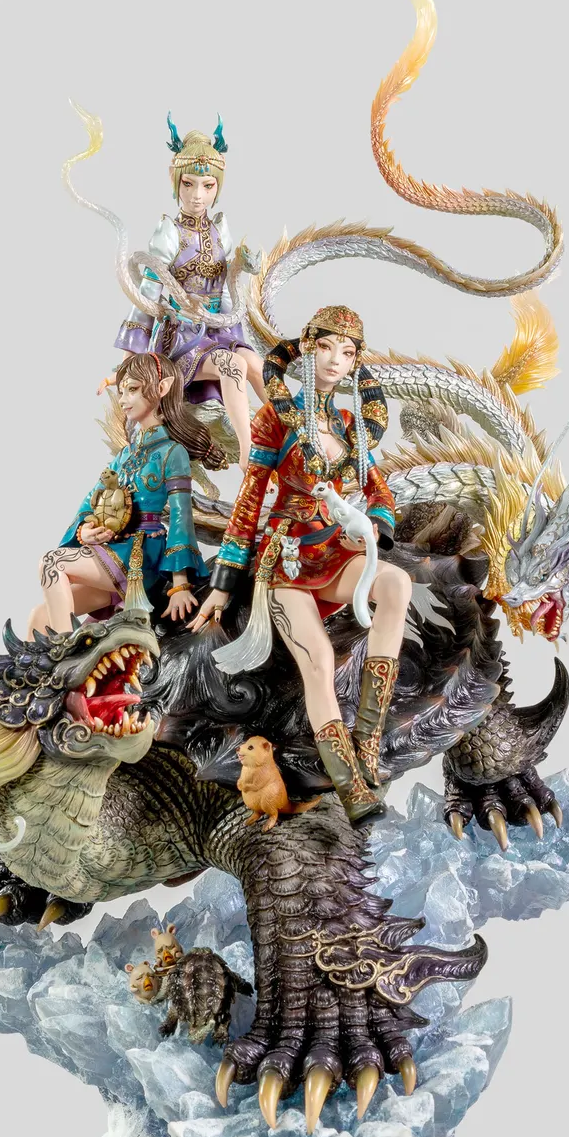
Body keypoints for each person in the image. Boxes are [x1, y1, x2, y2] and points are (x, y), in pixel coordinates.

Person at [190, 306, 411, 822]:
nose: (335, 360)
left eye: (347, 352)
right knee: (319, 661)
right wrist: (223, 581)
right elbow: (249, 499)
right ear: (307, 351)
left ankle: (368, 742)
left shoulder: (352, 425)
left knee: (397, 584)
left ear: (355, 363)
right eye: (326, 348)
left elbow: (379, 490)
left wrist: (373, 524)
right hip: (286, 557)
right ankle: (350, 786)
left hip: (336, 550)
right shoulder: (275, 418)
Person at [98, 116, 264, 469]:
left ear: (217, 187)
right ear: (176, 183)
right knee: (233, 365)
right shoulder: (169, 232)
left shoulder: (220, 230)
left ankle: (292, 429)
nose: (197, 195)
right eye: (188, 185)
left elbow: (227, 290)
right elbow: (146, 298)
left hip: (218, 330)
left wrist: (233, 325)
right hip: (181, 337)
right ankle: (249, 455)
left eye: (207, 186)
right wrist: (128, 364)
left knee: (255, 363)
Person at [29, 352, 224, 637]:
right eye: (121, 392)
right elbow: (91, 502)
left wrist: (180, 584)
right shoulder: (124, 456)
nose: (122, 400)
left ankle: (65, 649)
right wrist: (85, 530)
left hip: (140, 557)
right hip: (111, 551)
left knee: (51, 562)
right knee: (39, 616)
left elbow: (181, 519)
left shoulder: (172, 453)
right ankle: (52, 661)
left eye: (132, 389)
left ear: (162, 388)